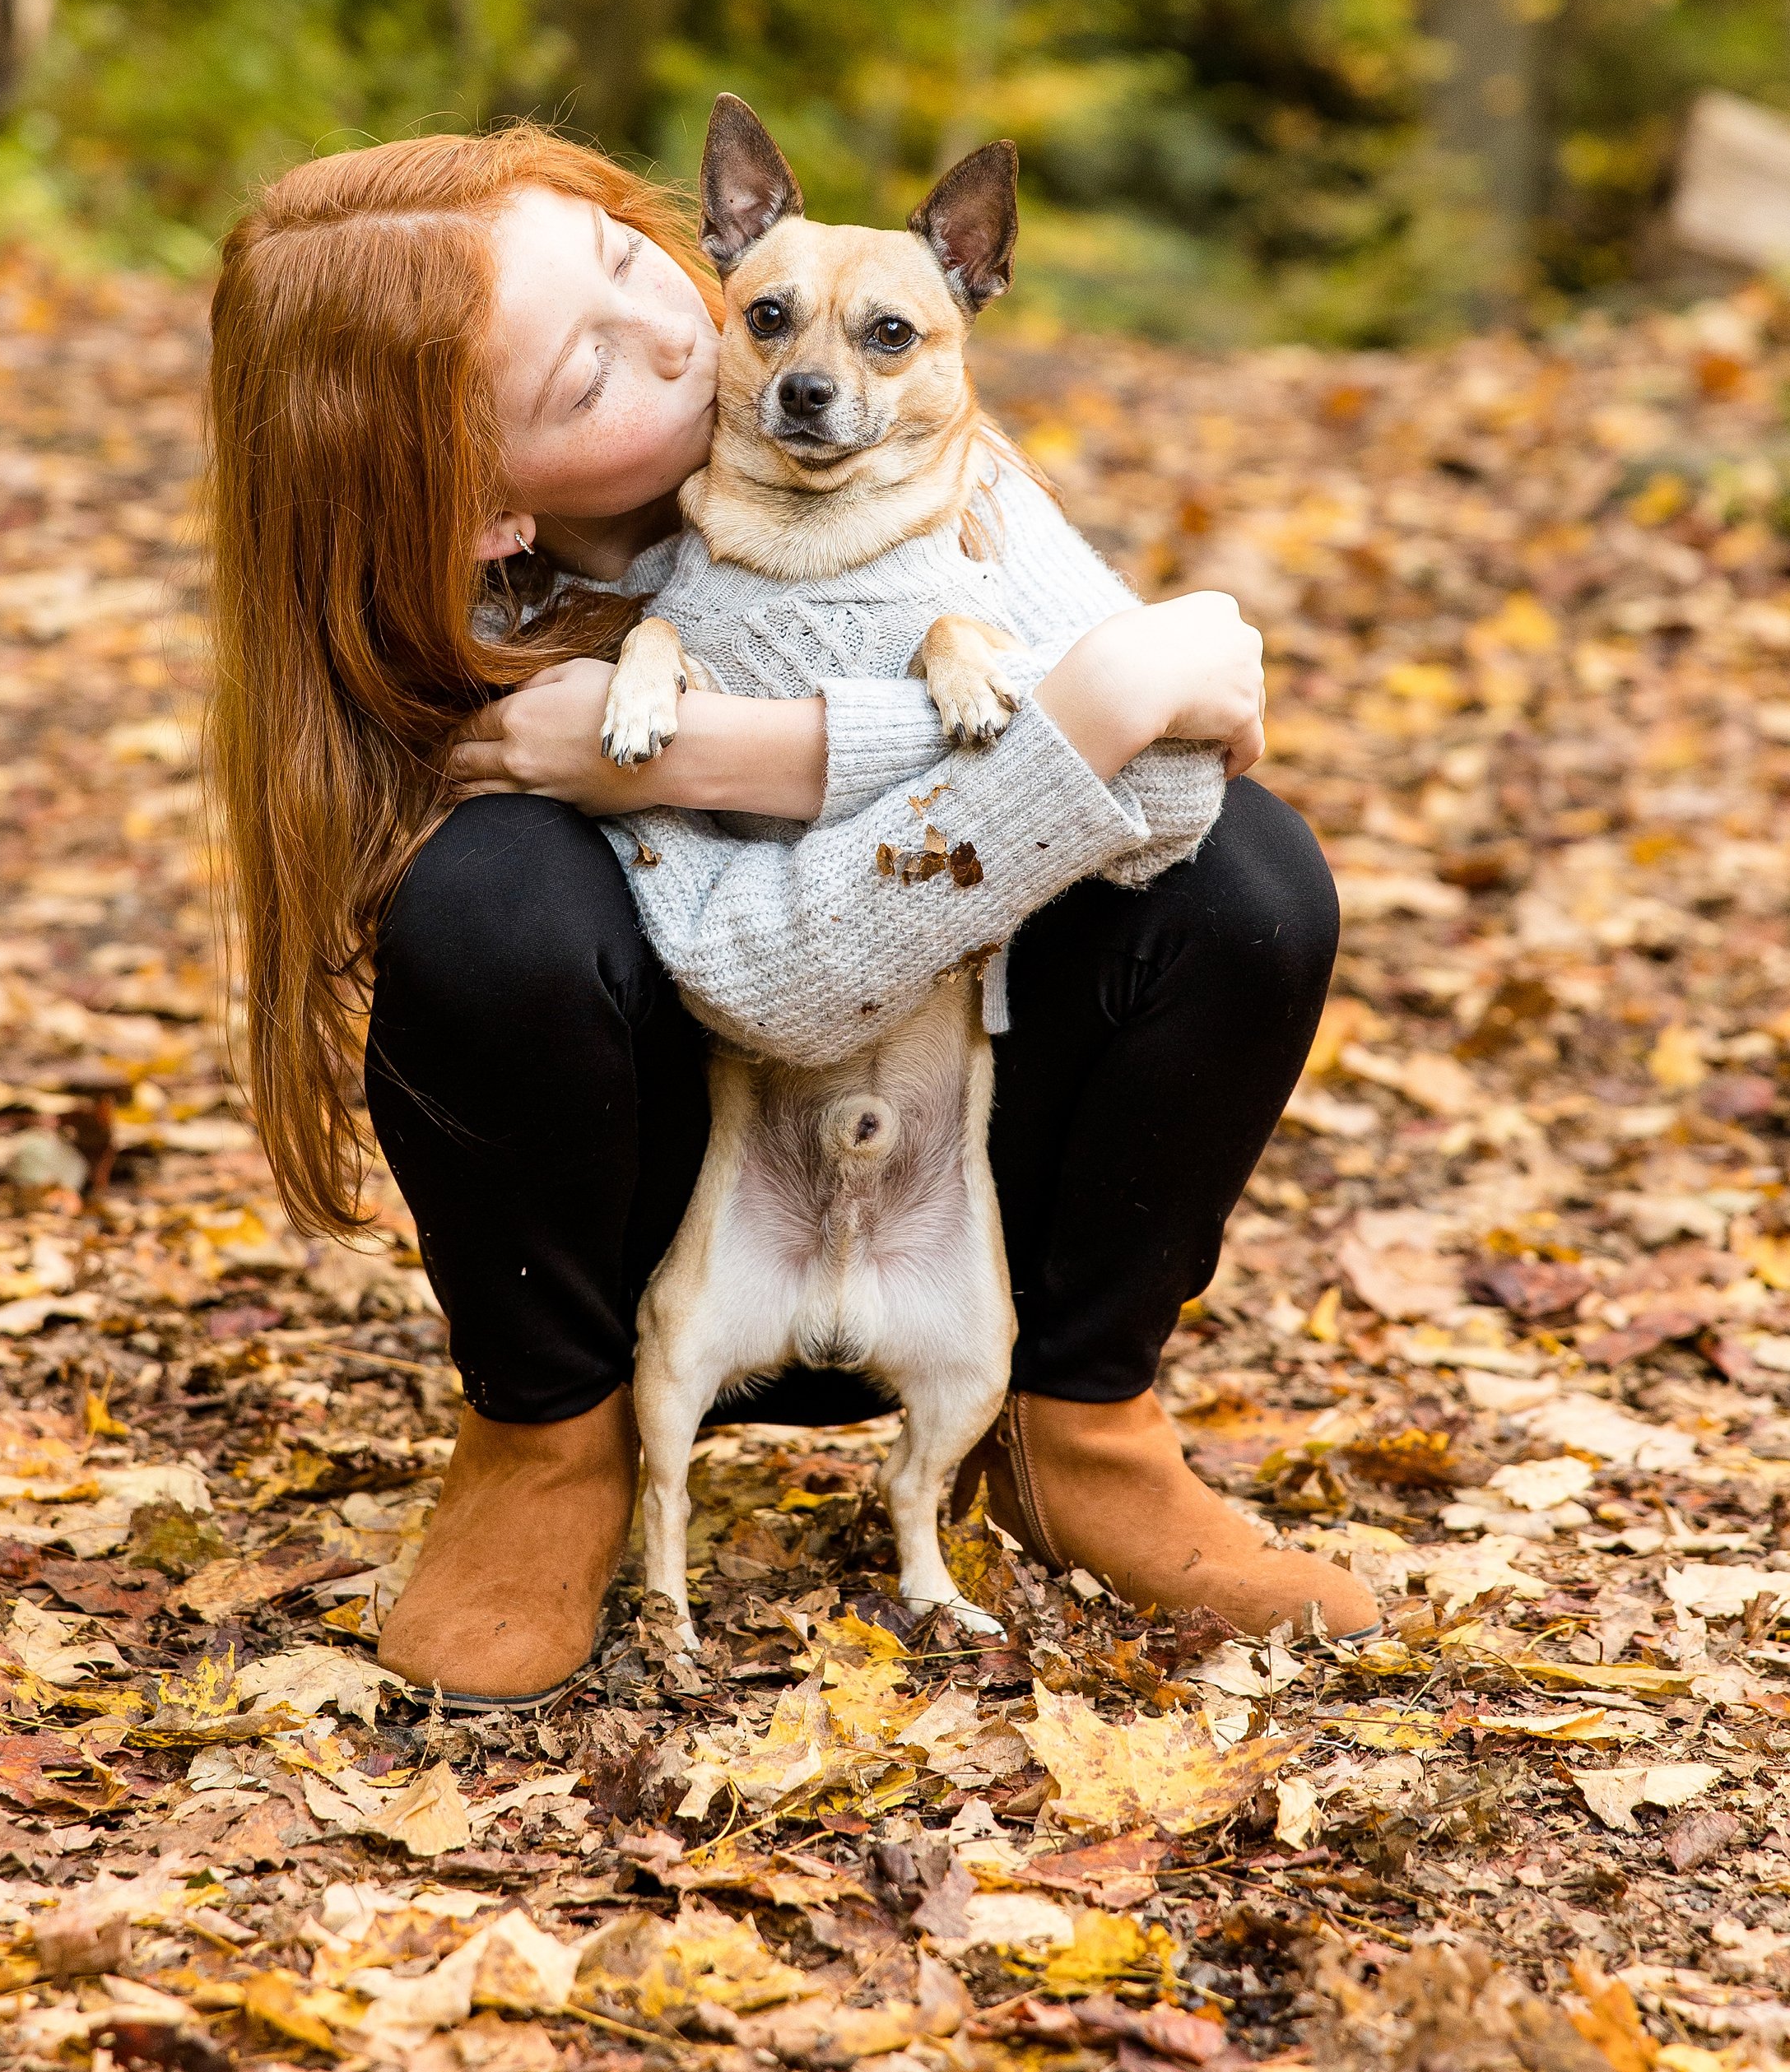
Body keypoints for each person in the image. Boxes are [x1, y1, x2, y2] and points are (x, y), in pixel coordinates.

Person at [206, 127, 1378, 1712]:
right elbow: (777, 987)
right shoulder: (468, 665)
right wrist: (1086, 708)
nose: (692, 337)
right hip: (672, 1251)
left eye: (636, 264)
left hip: (964, 1212)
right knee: (492, 900)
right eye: (586, 375)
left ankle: (1077, 1421)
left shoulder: (923, 454)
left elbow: (1176, 797)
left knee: (1250, 878)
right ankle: (547, 1448)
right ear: (478, 504)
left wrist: (744, 753)